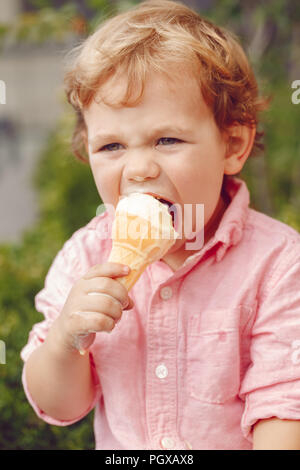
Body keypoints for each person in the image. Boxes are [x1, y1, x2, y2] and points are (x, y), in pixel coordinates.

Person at [21, 0, 300, 450]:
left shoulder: (279, 264)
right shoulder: (84, 258)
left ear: (232, 144)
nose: (138, 169)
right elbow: (60, 406)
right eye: (111, 146)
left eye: (166, 139)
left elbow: (284, 410)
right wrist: (65, 341)